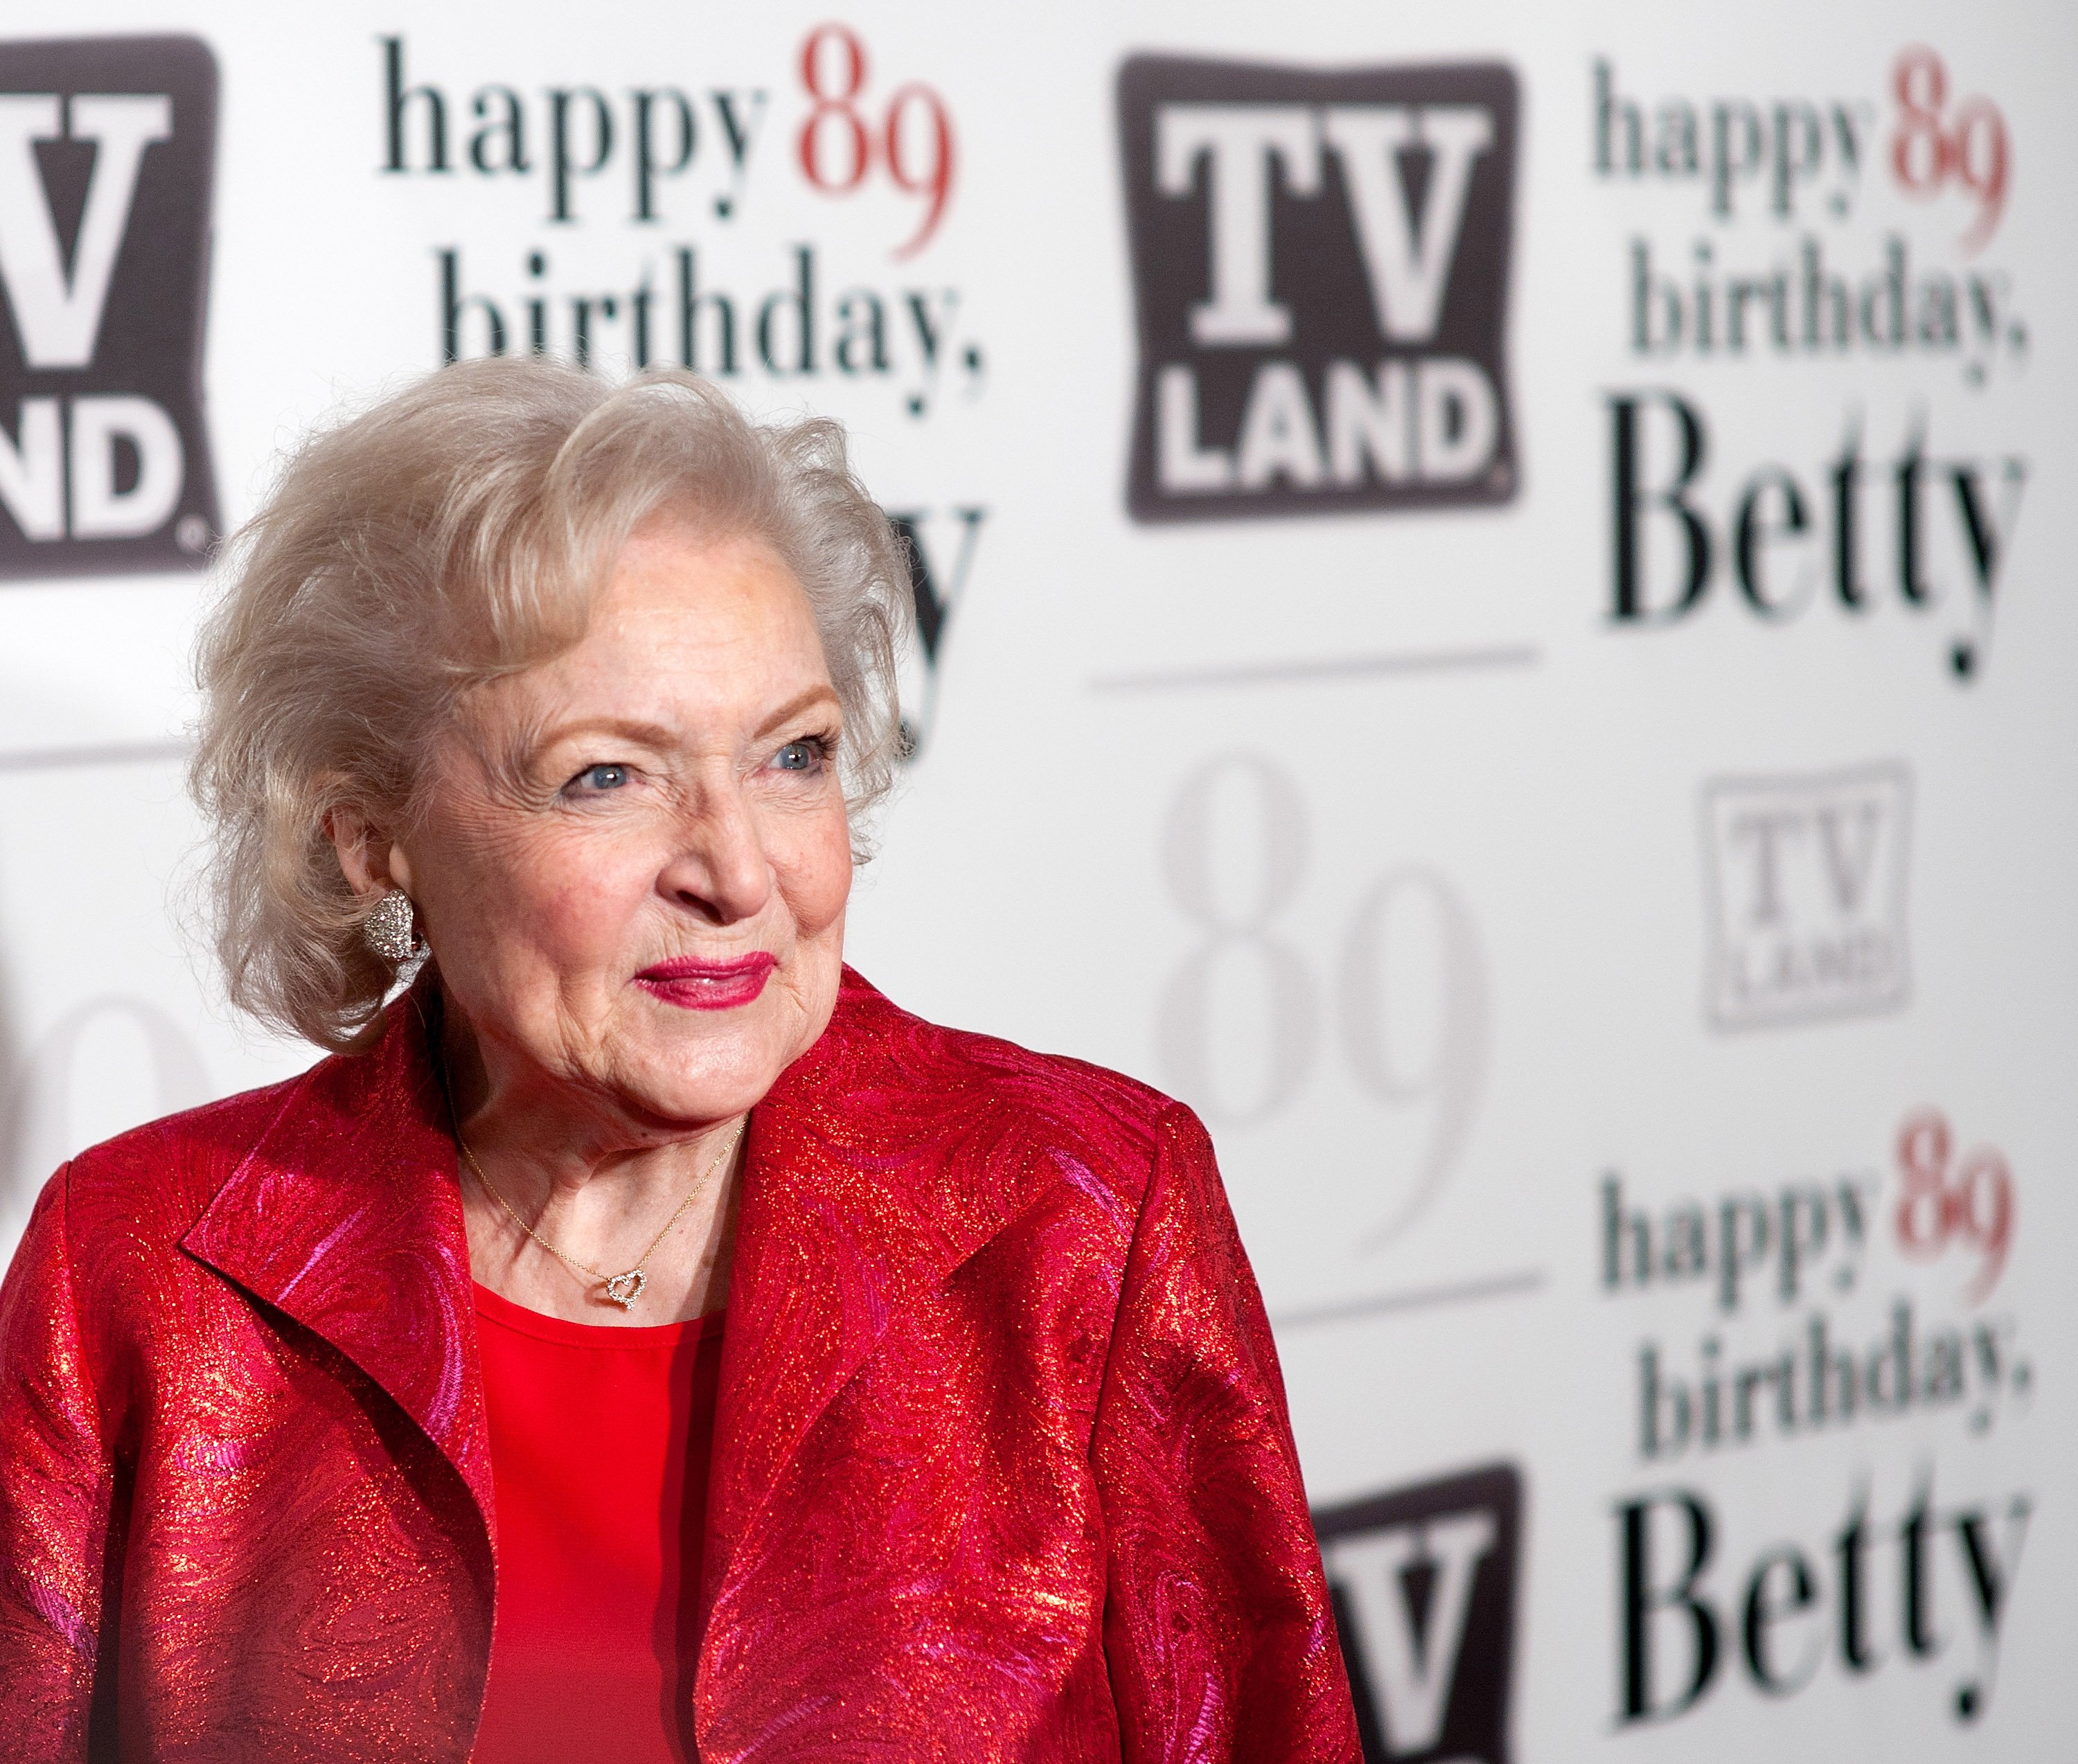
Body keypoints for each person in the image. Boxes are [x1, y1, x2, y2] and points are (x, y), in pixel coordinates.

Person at [0, 359, 1360, 1763]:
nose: (738, 868)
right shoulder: (143, 1274)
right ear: (370, 833)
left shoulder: (1086, 1218)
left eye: (793, 754)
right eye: (610, 774)